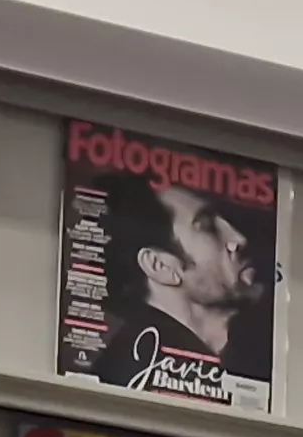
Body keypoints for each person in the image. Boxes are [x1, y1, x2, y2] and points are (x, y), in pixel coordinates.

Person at [91, 171, 273, 401]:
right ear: (160, 266)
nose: (239, 239)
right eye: (207, 226)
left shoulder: (251, 349)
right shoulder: (121, 381)